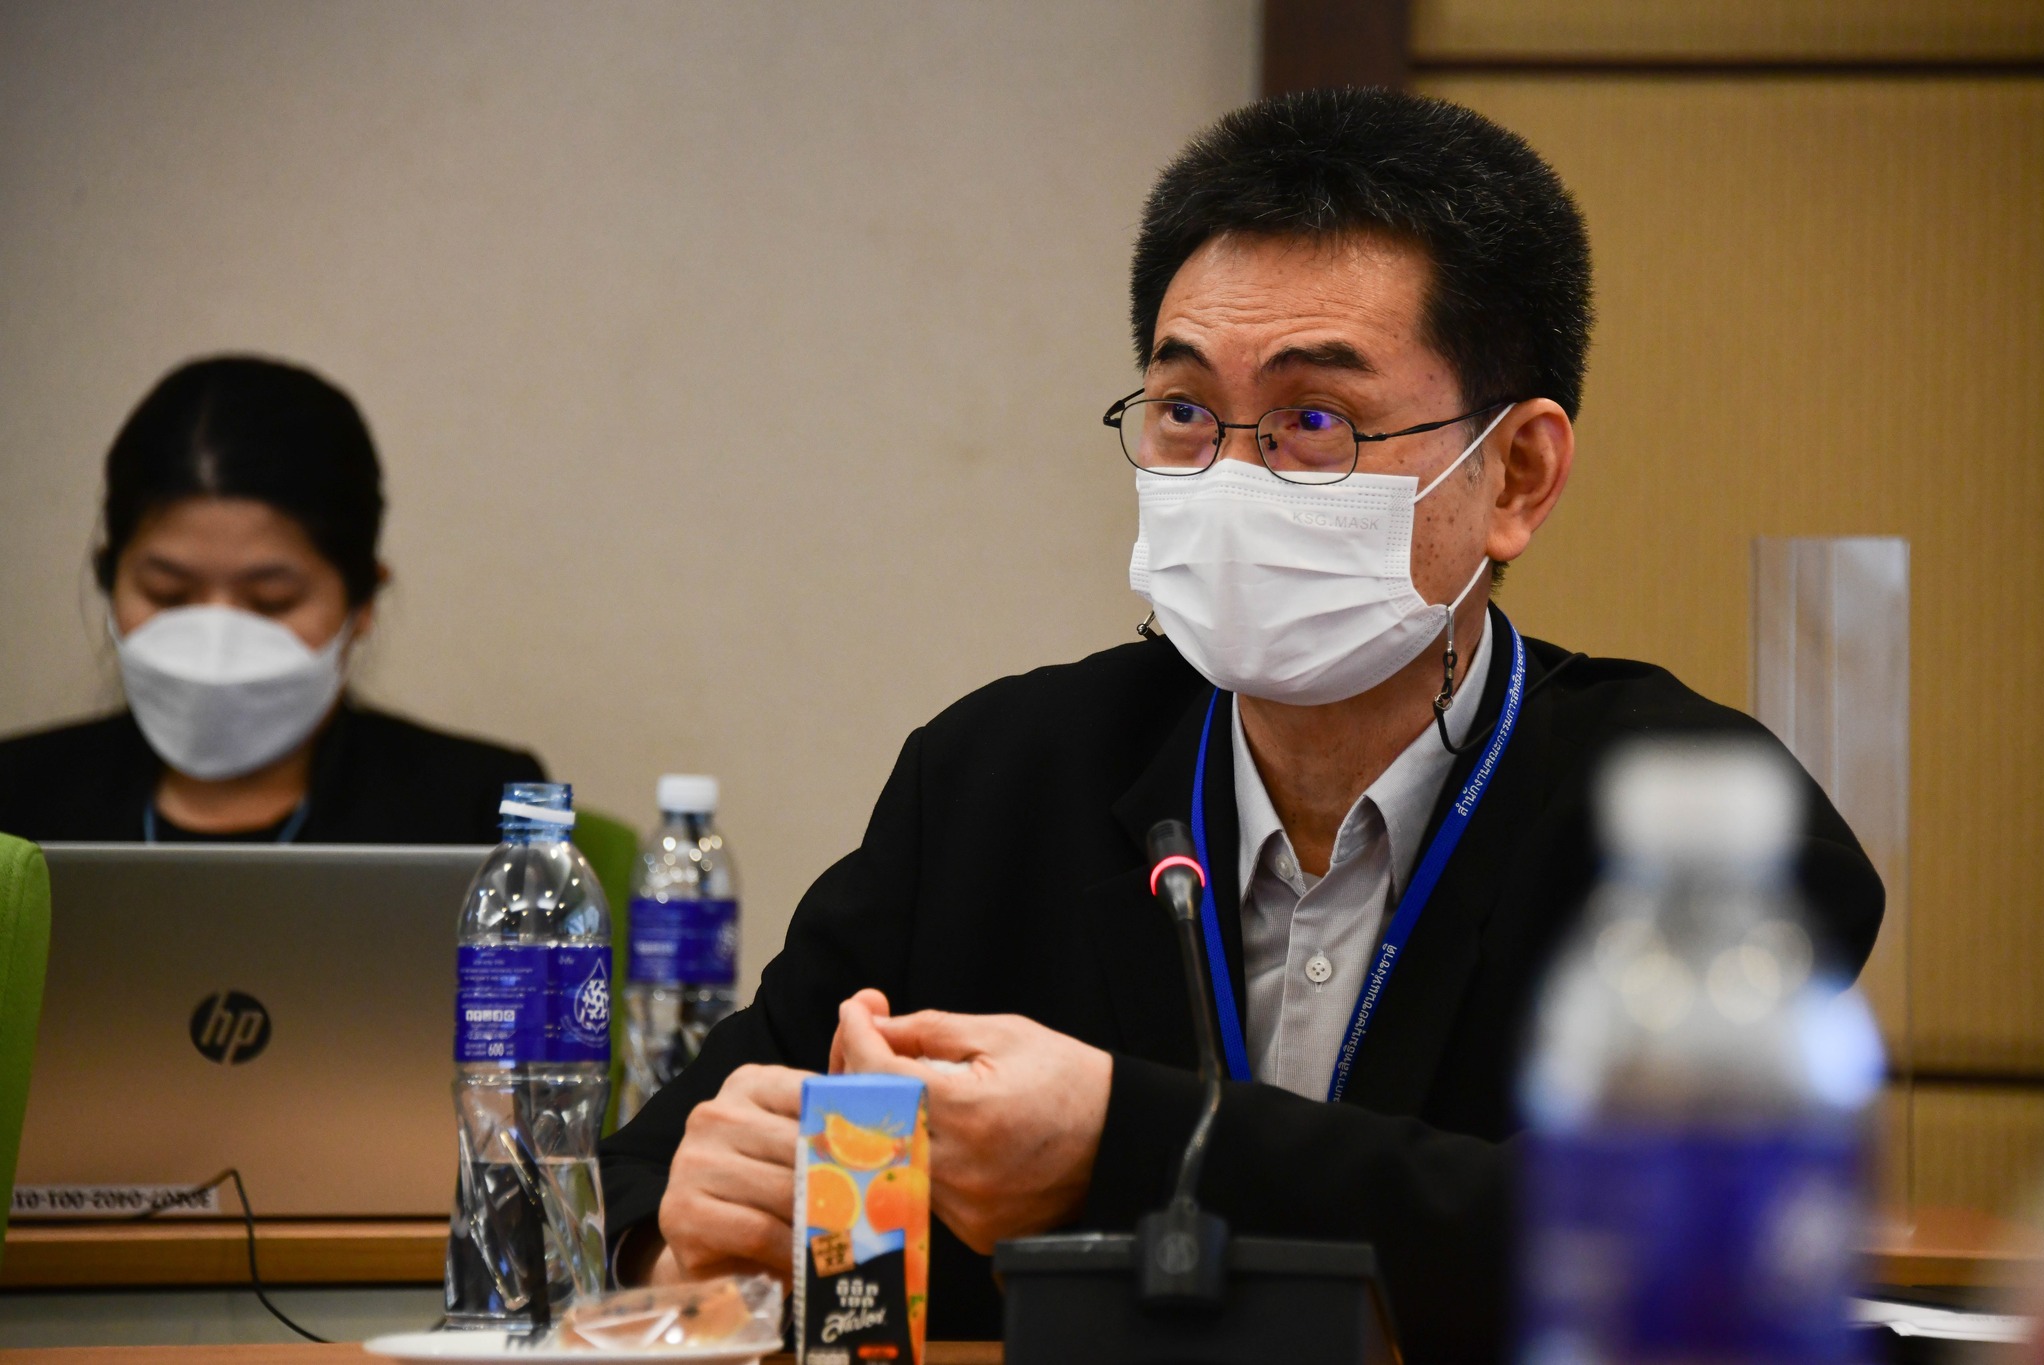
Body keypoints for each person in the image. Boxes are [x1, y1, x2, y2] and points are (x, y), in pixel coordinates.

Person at [599, 88, 1885, 1360]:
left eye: (1313, 421)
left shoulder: (1691, 822)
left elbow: (1667, 1250)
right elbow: (647, 1181)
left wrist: (1124, 1147)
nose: (1227, 478)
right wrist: (685, 1240)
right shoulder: (996, 778)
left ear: (1516, 474)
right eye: (1183, 414)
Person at [0, 355, 545, 844]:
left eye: (271, 601)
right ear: (110, 579)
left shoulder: (492, 802)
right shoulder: (16, 795)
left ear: (363, 602)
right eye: (169, 595)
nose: (215, 644)